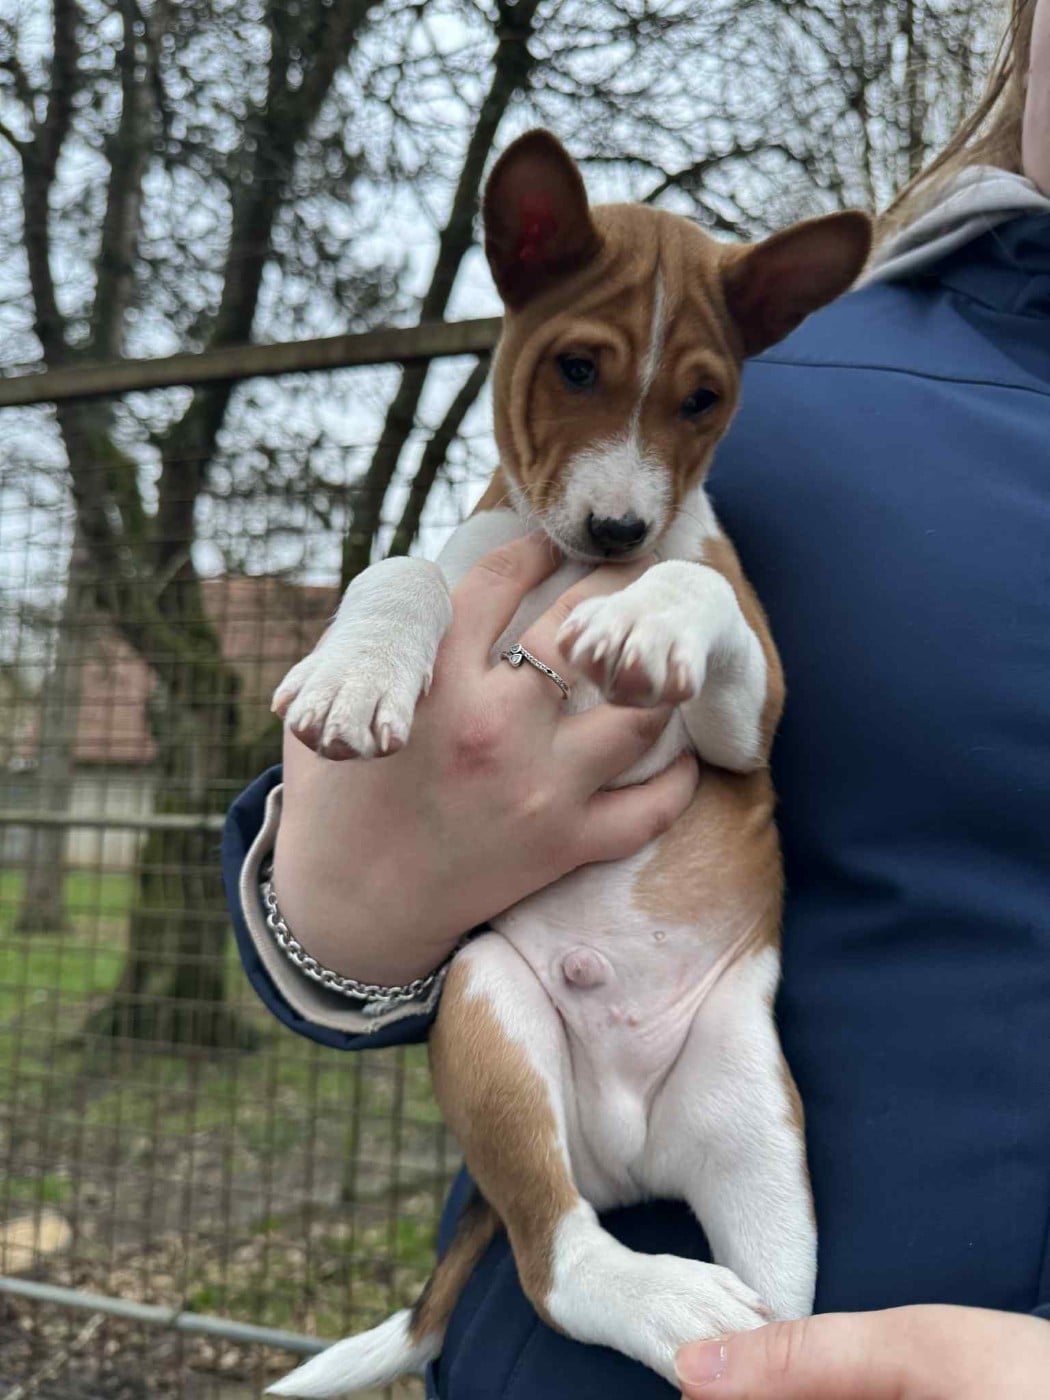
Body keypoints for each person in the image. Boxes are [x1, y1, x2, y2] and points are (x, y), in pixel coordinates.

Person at [221, 0, 1050, 1393]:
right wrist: (340, 910)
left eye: (690, 407)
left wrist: (693, 608)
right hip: (543, 1037)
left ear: (742, 361)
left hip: (713, 1016)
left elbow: (737, 718)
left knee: (756, 1186)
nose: (624, 490)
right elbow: (383, 736)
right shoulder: (811, 399)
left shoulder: (710, 506)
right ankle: (568, 1268)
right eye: (580, 376)